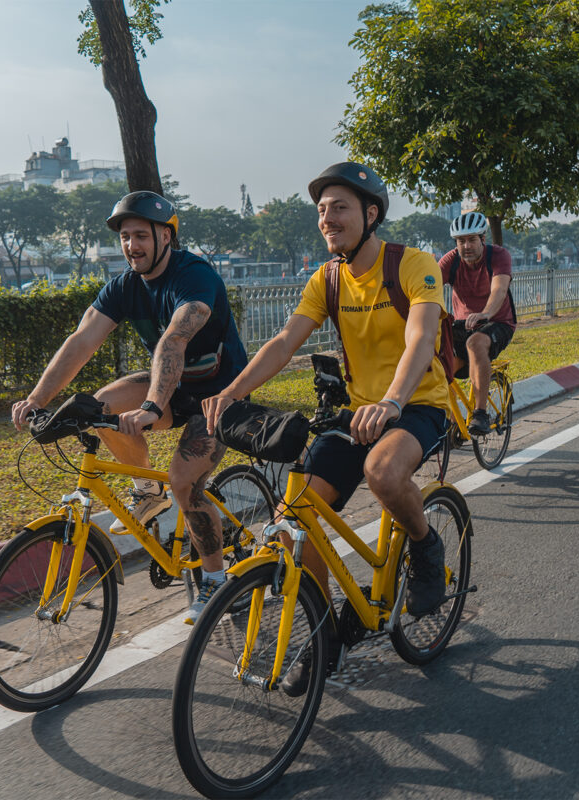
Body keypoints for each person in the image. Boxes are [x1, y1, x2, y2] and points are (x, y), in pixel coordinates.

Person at [202, 162, 450, 696]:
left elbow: (421, 338)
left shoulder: (413, 264)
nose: (327, 218)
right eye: (321, 210)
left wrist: (390, 401)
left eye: (339, 207)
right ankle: (325, 634)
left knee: (384, 473)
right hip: (358, 412)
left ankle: (426, 549)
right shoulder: (328, 278)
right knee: (296, 516)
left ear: (371, 213)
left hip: (417, 403)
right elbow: (284, 343)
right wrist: (232, 392)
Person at [11, 190, 248, 624]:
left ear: (166, 237)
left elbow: (174, 339)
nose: (131, 246)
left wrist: (153, 406)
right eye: (124, 237)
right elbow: (82, 341)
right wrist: (37, 399)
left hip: (221, 393)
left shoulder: (195, 277)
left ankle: (218, 581)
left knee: (185, 480)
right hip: (173, 387)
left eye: (140, 235)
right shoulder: (124, 286)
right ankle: (147, 492)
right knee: (99, 406)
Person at [437, 211, 517, 436]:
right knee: (437, 366)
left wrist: (485, 313)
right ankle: (454, 424)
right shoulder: (450, 261)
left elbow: (499, 289)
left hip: (498, 322)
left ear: (483, 239)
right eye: (461, 241)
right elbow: (428, 289)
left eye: (472, 239)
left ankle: (480, 413)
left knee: (475, 344)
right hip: (462, 325)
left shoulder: (499, 256)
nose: (466, 246)